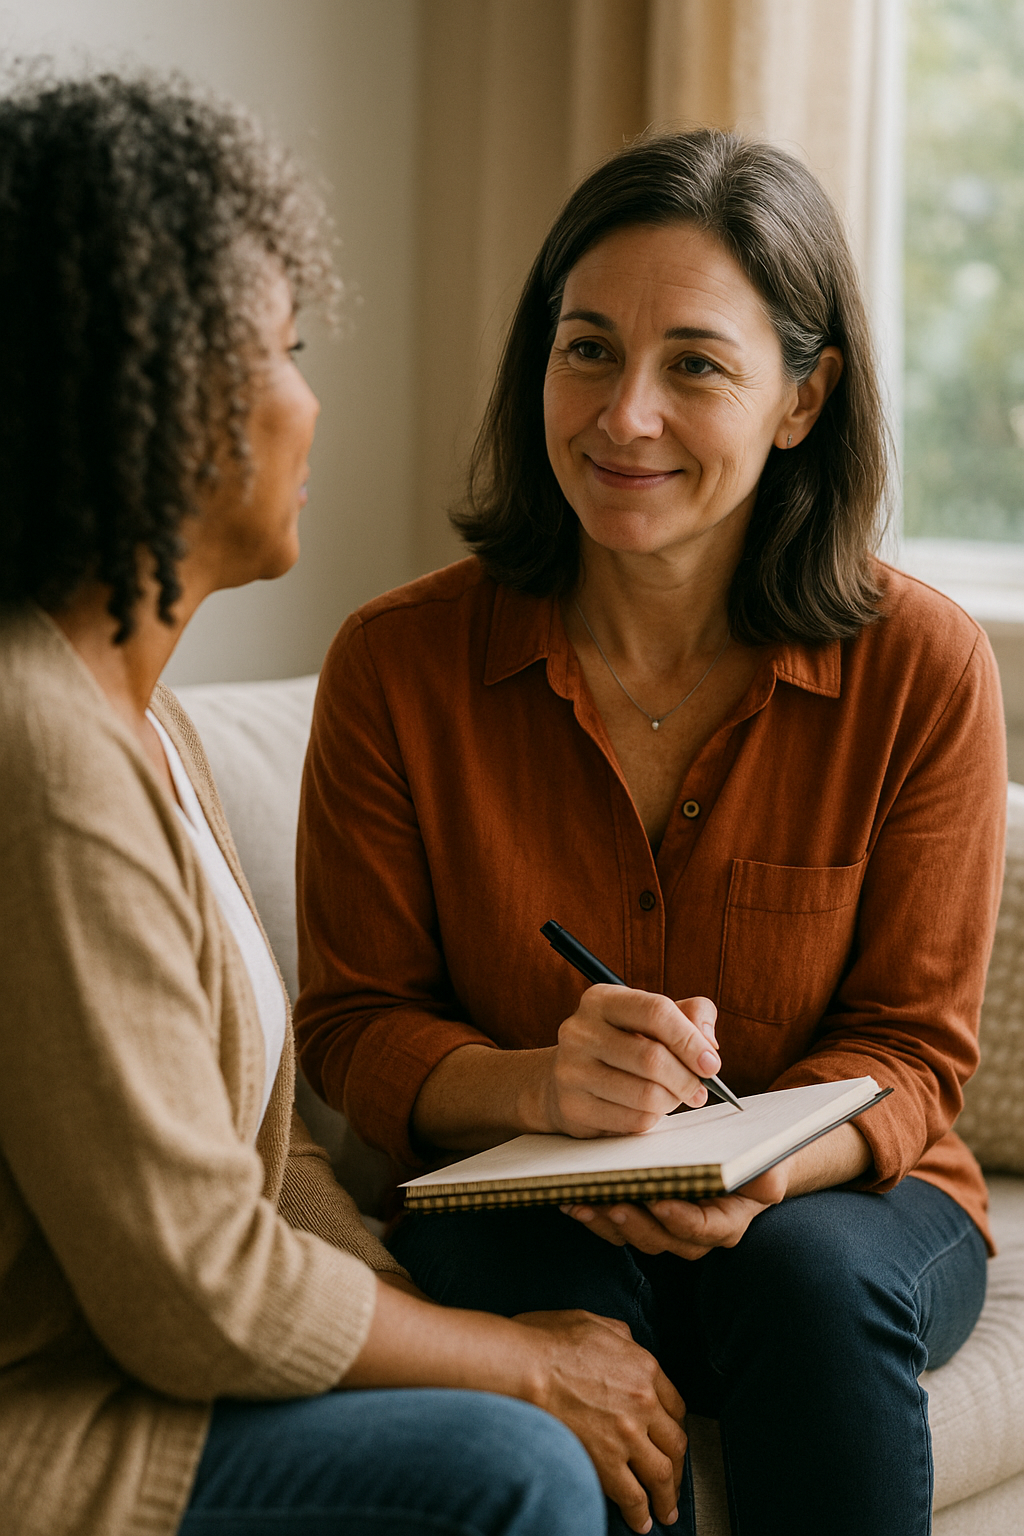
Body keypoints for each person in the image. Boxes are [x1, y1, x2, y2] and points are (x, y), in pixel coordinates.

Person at [0, 73, 689, 1536]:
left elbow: (271, 1158)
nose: (314, 403)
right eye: (287, 351)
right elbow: (192, 1285)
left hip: (156, 1370)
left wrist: (435, 1322)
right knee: (511, 1471)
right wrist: (517, 1372)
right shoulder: (41, 753)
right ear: (162, 387)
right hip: (58, 1426)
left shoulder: (139, 718)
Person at [294, 130, 1007, 1536]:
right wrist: (540, 1090)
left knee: (801, 1280)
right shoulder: (397, 664)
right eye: (586, 350)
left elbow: (917, 1051)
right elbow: (353, 1027)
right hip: (513, 1197)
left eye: (694, 363)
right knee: (548, 1312)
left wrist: (750, 1171)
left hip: (841, 1202)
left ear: (804, 398)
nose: (623, 416)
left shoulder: (923, 668)